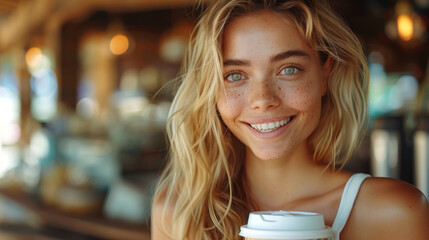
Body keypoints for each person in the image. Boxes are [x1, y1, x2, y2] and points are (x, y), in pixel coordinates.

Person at [151, 0, 429, 239]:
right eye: (234, 75)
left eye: (289, 69)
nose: (263, 99)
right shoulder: (179, 213)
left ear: (325, 73)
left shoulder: (394, 213)